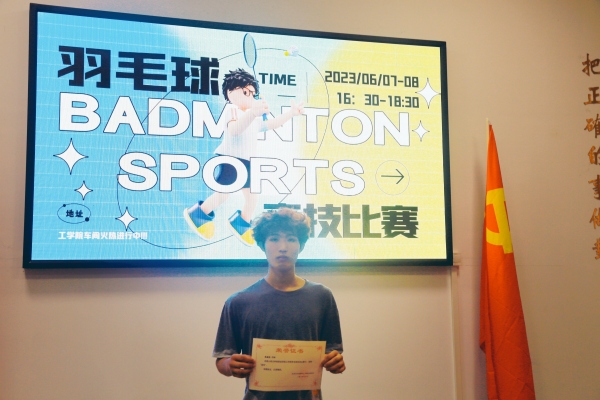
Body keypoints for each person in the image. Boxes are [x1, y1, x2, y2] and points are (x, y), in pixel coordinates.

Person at [213, 208, 345, 400]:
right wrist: (229, 365)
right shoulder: (239, 301)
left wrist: (335, 361)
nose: (283, 247)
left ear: (301, 245)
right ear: (262, 245)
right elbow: (222, 359)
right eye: (274, 239)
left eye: (291, 239)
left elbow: (333, 351)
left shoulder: (322, 297)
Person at [184, 69, 304, 246]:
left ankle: (241, 224)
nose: (250, 97)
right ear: (230, 92)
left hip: (247, 161)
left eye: (253, 94)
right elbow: (234, 130)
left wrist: (290, 114)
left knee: (252, 197)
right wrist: (253, 113)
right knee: (223, 194)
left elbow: (271, 124)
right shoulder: (232, 110)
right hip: (230, 159)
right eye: (246, 92)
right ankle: (198, 214)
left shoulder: (254, 117)